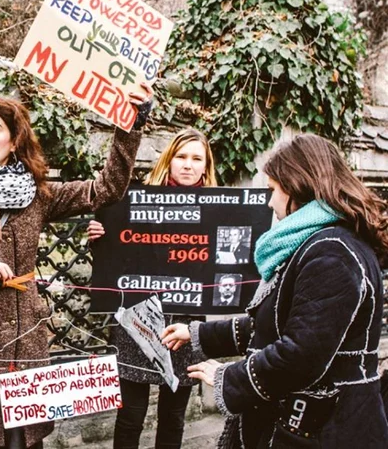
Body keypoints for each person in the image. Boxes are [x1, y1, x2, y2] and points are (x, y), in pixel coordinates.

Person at [0, 87, 153, 449]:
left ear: (14, 141)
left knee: (27, 443)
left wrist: (131, 122)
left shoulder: (36, 195)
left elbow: (106, 189)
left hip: (27, 351)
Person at [162, 134, 388, 448]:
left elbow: (302, 353)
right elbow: (274, 325)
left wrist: (230, 376)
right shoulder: (318, 243)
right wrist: (197, 333)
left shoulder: (331, 253)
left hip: (323, 428)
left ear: (297, 186)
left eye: (272, 190)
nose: (269, 202)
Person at [87, 128, 218, 449]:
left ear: (206, 166)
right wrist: (101, 240)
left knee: (173, 416)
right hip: (138, 318)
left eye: (196, 158)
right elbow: (119, 261)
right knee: (131, 414)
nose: (188, 165)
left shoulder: (220, 210)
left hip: (186, 325)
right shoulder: (136, 204)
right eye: (181, 156)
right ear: (169, 161)